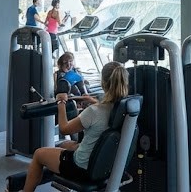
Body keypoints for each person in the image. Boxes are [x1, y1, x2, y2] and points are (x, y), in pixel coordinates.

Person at [7, 61, 130, 192]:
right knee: (64, 145)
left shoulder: (94, 111)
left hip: (82, 168)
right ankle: (53, 165)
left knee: (39, 154)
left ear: (103, 83)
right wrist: (94, 101)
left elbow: (64, 128)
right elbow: (104, 113)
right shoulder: (126, 108)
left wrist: (61, 102)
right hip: (107, 163)